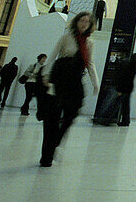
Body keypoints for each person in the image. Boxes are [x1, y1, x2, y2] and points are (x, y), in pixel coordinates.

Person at [40, 12, 99, 167]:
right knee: (52, 118)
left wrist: (95, 83)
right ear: (76, 22)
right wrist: (45, 75)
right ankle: (46, 155)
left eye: (87, 21)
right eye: (82, 20)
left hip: (75, 79)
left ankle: (55, 142)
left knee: (72, 112)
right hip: (59, 77)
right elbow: (53, 56)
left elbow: (90, 63)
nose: (84, 23)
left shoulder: (89, 43)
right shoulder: (66, 38)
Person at [115, 53, 136, 126]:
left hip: (124, 87)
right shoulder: (135, 66)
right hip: (129, 87)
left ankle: (124, 121)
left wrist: (119, 88)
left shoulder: (127, 65)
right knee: (126, 105)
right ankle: (126, 120)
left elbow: (123, 77)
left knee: (123, 105)